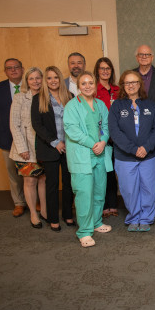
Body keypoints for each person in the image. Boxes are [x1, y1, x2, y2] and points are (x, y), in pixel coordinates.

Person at [63, 71, 113, 248]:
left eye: (90, 83)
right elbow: (72, 130)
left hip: (100, 155)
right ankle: (84, 231)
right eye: (83, 83)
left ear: (95, 84)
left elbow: (106, 126)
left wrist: (103, 141)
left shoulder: (100, 105)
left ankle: (96, 222)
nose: (87, 86)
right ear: (78, 86)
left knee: (99, 192)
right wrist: (93, 144)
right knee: (84, 194)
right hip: (82, 157)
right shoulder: (72, 106)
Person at [109, 70, 155, 232]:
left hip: (149, 155)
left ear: (140, 84)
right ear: (123, 86)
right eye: (127, 82)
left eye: (134, 82)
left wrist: (146, 148)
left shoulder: (151, 105)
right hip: (125, 156)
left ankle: (146, 218)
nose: (131, 85)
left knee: (148, 188)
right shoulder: (116, 106)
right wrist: (133, 149)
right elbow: (114, 132)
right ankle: (134, 217)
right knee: (129, 189)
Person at [31, 66, 74, 231]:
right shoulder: (39, 99)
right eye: (49, 78)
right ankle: (53, 218)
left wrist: (69, 142)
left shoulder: (69, 96)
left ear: (60, 79)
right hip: (50, 148)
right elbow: (37, 125)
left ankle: (68, 215)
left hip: (69, 147)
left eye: (56, 77)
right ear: (45, 81)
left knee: (69, 183)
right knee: (52, 185)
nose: (53, 80)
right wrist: (55, 142)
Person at [132, 45, 155, 214]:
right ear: (137, 57)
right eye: (141, 54)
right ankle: (140, 200)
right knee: (138, 166)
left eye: (147, 54)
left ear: (152, 57)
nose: (144, 57)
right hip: (135, 130)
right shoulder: (130, 76)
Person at [0, 58, 25, 217]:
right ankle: (19, 203)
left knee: (32, 172)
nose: (13, 70)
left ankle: (35, 200)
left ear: (22, 69)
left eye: (16, 67)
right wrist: (7, 126)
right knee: (13, 172)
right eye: (9, 68)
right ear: (5, 71)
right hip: (7, 138)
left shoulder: (31, 85)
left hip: (29, 138)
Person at [9, 67, 47, 228]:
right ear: (27, 81)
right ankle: (33, 214)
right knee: (30, 180)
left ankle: (44, 210)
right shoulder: (20, 98)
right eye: (31, 78)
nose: (35, 81)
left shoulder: (46, 96)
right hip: (25, 147)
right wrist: (22, 148)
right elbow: (14, 124)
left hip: (44, 146)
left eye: (38, 78)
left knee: (43, 179)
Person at [93, 57, 119, 218]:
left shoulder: (118, 90)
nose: (105, 71)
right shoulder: (93, 90)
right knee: (103, 172)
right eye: (102, 68)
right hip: (101, 138)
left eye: (108, 68)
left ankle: (113, 203)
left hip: (117, 138)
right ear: (97, 71)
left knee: (115, 171)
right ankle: (103, 205)